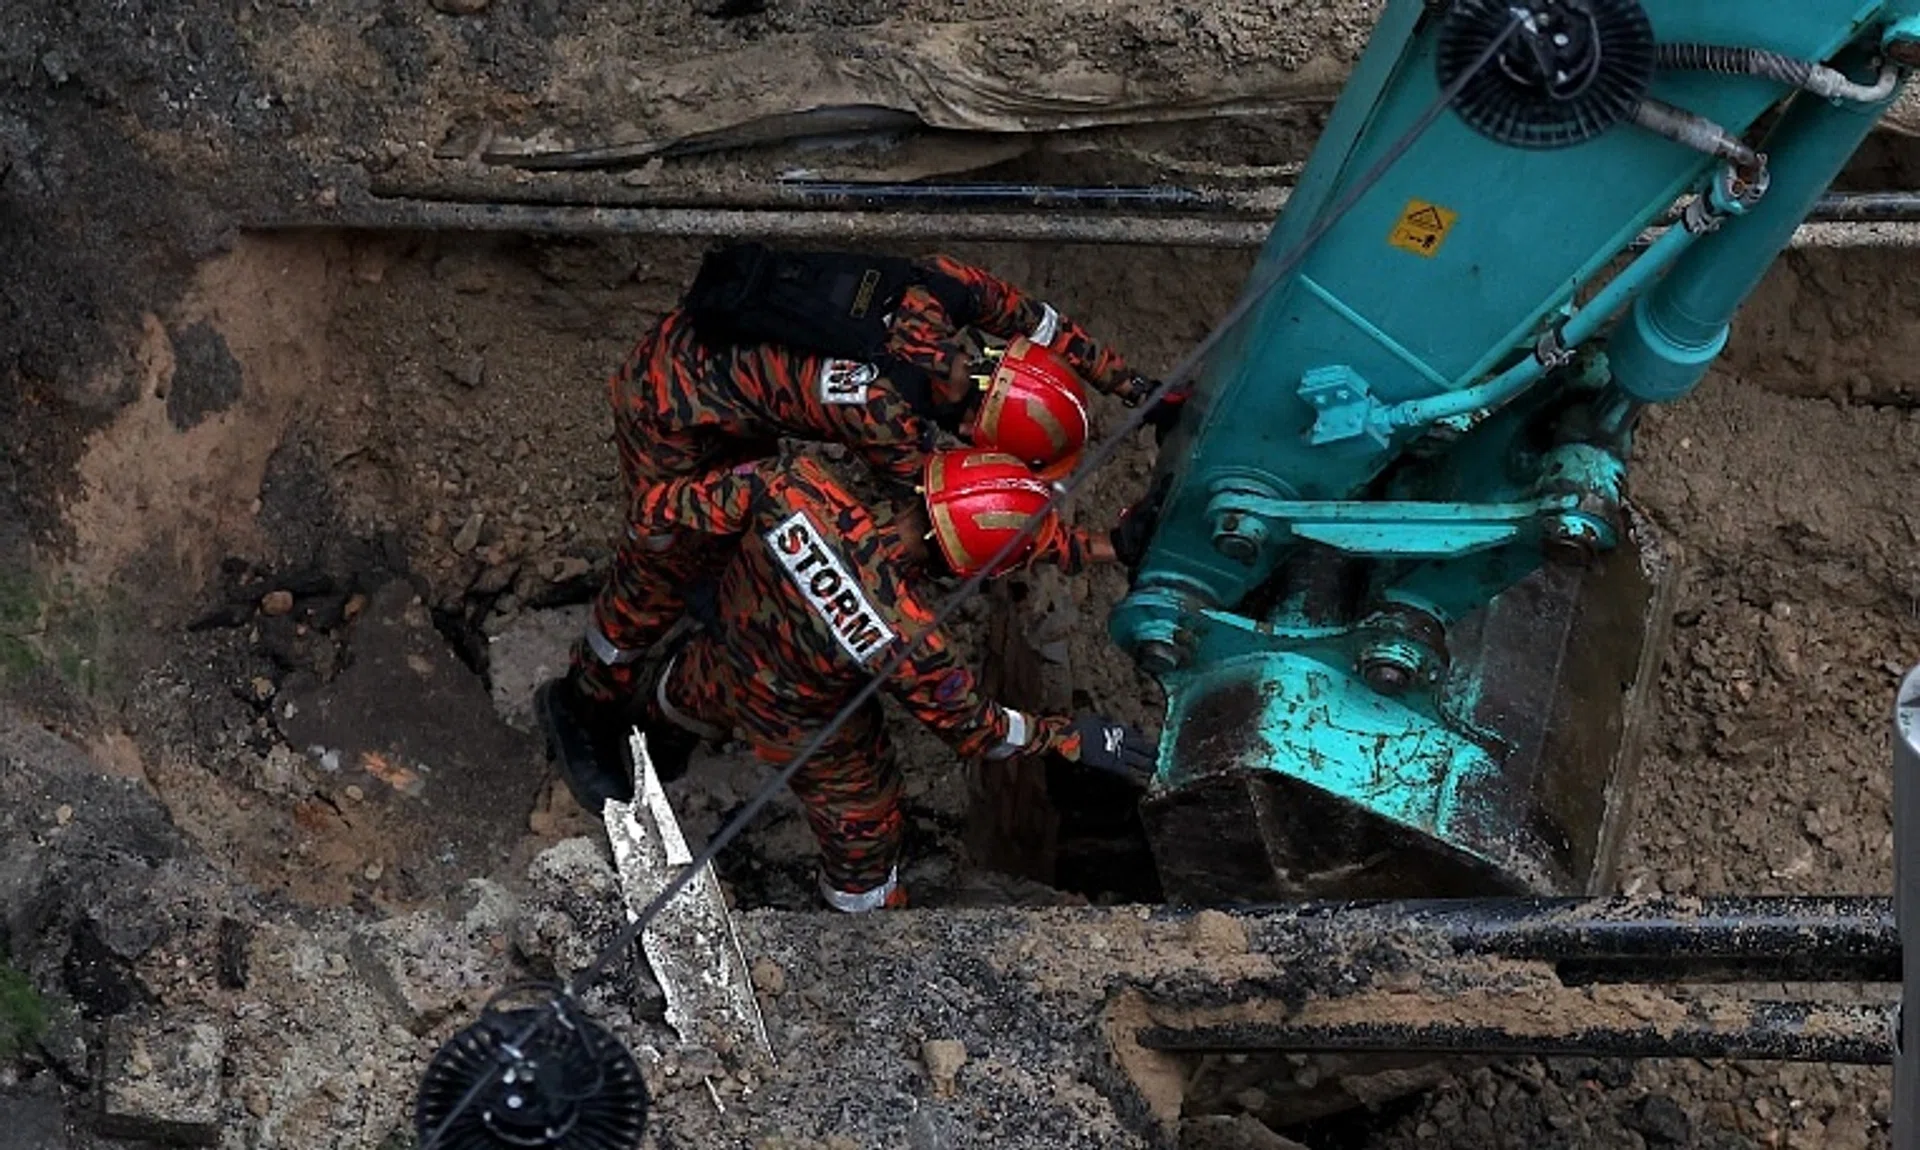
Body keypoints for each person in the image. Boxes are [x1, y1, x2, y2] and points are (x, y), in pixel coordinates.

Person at [550, 244, 1171, 780]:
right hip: (669, 403)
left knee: (728, 537)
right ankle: (589, 699)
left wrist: (1138, 388)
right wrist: (1095, 547)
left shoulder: (944, 287)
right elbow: (968, 527)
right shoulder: (886, 417)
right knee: (660, 562)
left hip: (723, 374)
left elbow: (1042, 324)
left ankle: (721, 612)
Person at [542, 447, 1154, 912]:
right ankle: (854, 932)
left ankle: (652, 738)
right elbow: (978, 732)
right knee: (866, 824)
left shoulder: (795, 486)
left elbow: (672, 511)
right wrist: (1070, 738)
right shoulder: (910, 639)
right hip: (805, 727)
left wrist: (679, 579)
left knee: (687, 689)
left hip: (730, 654)